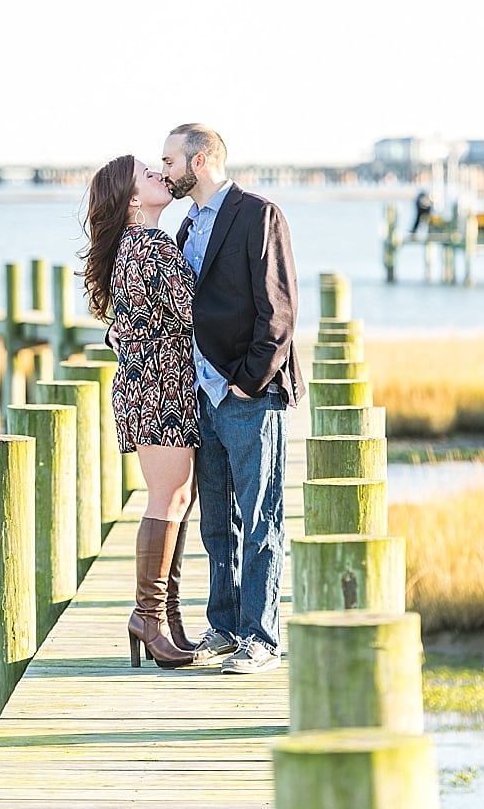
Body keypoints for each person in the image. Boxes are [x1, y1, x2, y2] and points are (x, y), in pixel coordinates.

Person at [161, 123, 303, 675]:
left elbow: (280, 308)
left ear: (198, 161)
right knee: (217, 520)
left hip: (248, 395)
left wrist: (249, 380)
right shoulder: (186, 222)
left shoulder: (257, 214)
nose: (164, 169)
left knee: (262, 515)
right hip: (200, 395)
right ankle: (222, 627)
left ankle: (261, 638)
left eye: (169, 160)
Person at [80, 155, 199, 669]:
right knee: (167, 500)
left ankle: (167, 618)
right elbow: (194, 313)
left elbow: (130, 325)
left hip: (154, 385)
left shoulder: (137, 247)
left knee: (177, 499)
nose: (159, 174)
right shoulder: (149, 247)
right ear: (131, 199)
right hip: (159, 390)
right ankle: (148, 619)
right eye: (147, 174)